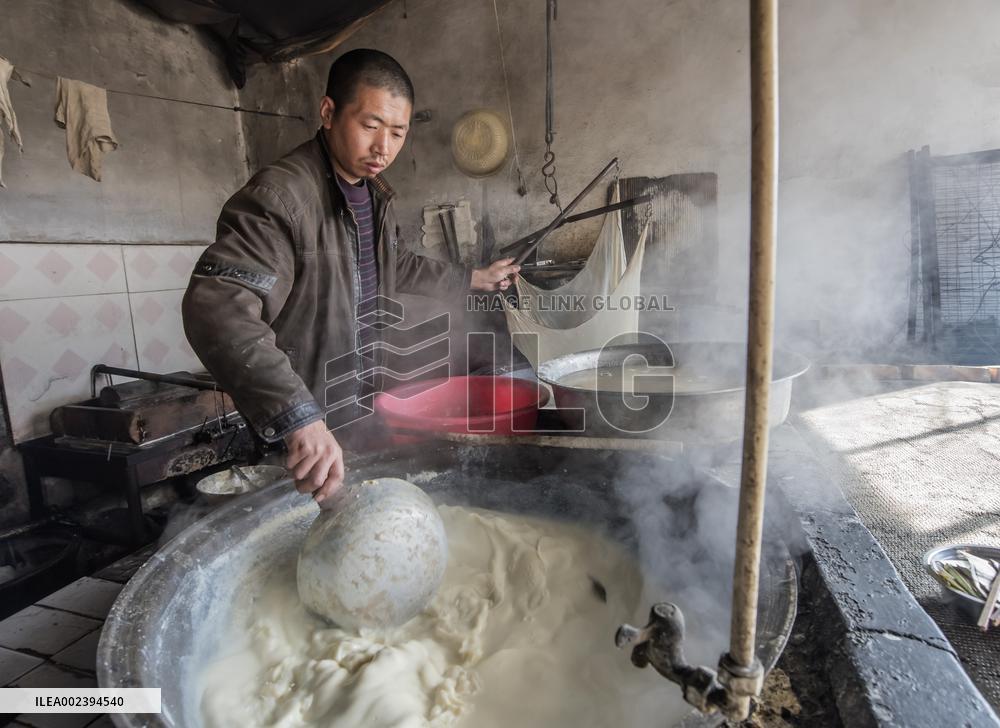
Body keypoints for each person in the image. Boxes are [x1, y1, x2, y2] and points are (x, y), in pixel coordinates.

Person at [182, 49, 519, 505]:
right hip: (306, 428)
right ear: (328, 113)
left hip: (359, 405)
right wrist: (300, 418)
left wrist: (473, 279)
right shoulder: (280, 198)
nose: (384, 147)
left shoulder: (373, 195)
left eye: (397, 133)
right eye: (370, 126)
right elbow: (217, 306)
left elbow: (396, 266)